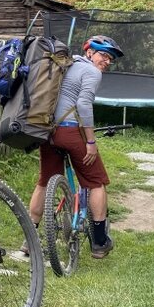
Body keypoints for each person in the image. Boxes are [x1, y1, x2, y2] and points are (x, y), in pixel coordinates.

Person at [25, 35, 124, 259]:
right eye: (104, 55)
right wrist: (90, 142)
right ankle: (99, 242)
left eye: (111, 59)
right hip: (69, 132)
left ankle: (28, 240)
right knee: (96, 183)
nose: (107, 61)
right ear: (89, 52)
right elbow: (83, 103)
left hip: (47, 131)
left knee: (44, 182)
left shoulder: (66, 65)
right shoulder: (91, 71)